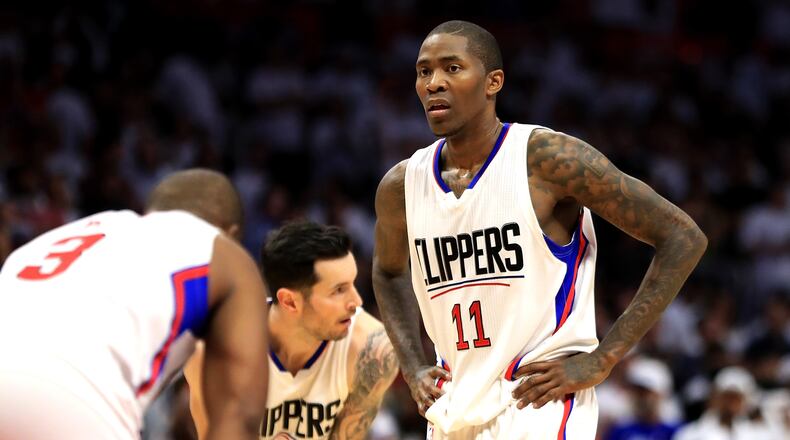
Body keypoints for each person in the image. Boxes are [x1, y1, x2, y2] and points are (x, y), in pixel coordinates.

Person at [372, 20, 708, 439]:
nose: (434, 83)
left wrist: (603, 358)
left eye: (452, 68)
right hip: (453, 408)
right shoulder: (402, 185)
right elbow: (388, 271)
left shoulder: (546, 160)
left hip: (539, 405)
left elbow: (682, 236)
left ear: (493, 82)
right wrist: (413, 364)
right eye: (424, 71)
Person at [0, 168, 269, 440]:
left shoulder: (51, 241)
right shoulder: (224, 251)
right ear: (232, 232)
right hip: (73, 403)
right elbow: (239, 415)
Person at [186, 219, 399, 439]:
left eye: (353, 284)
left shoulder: (372, 348)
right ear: (289, 302)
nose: (356, 301)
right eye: (338, 290)